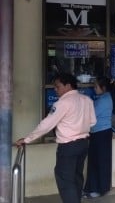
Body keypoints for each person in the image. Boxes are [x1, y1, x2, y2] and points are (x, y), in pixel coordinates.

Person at [15, 73, 96, 203]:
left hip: (68, 147)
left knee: (65, 180)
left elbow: (46, 125)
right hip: (83, 144)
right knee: (76, 178)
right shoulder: (87, 100)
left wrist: (26, 139)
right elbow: (92, 122)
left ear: (68, 86)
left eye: (58, 86)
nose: (55, 89)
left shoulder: (62, 103)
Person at [83, 76, 115, 199]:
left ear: (103, 88)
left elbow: (91, 115)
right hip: (97, 133)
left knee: (100, 162)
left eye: (95, 87)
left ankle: (99, 189)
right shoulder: (103, 98)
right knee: (95, 161)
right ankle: (92, 188)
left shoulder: (104, 100)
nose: (94, 89)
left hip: (101, 134)